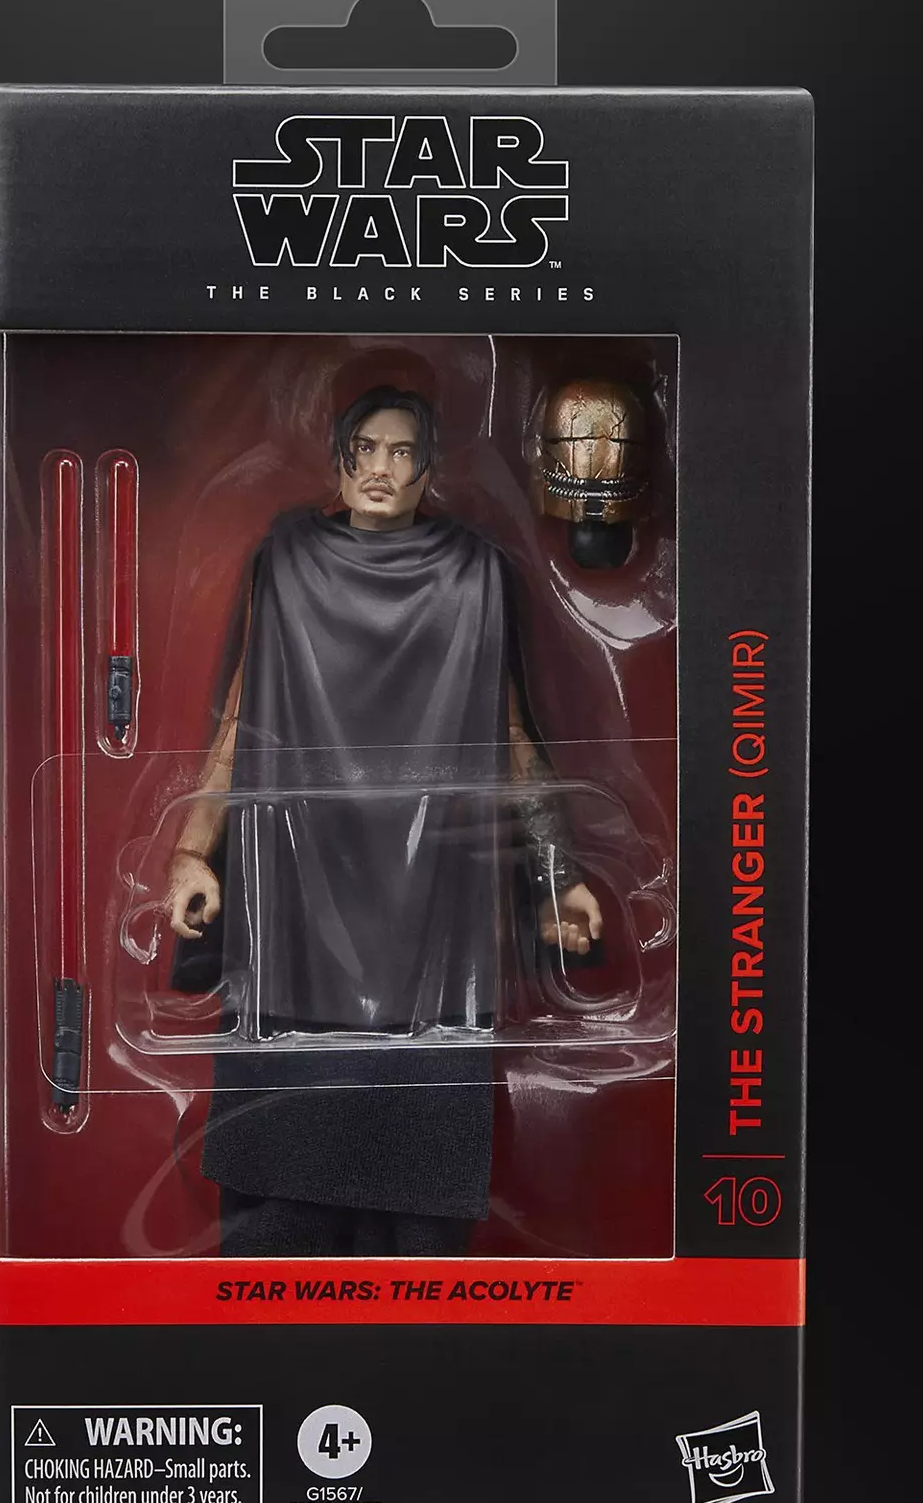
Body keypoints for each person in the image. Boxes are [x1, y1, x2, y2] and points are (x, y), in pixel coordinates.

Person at [165, 385, 601, 1256]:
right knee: (280, 1208)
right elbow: (242, 722)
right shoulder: (287, 560)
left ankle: (415, 1309)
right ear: (339, 460)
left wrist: (558, 878)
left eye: (402, 452)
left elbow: (512, 734)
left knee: (421, 1218)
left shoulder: (473, 573)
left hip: (435, 912)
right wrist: (191, 851)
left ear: (429, 470)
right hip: (296, 903)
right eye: (365, 448)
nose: (381, 467)